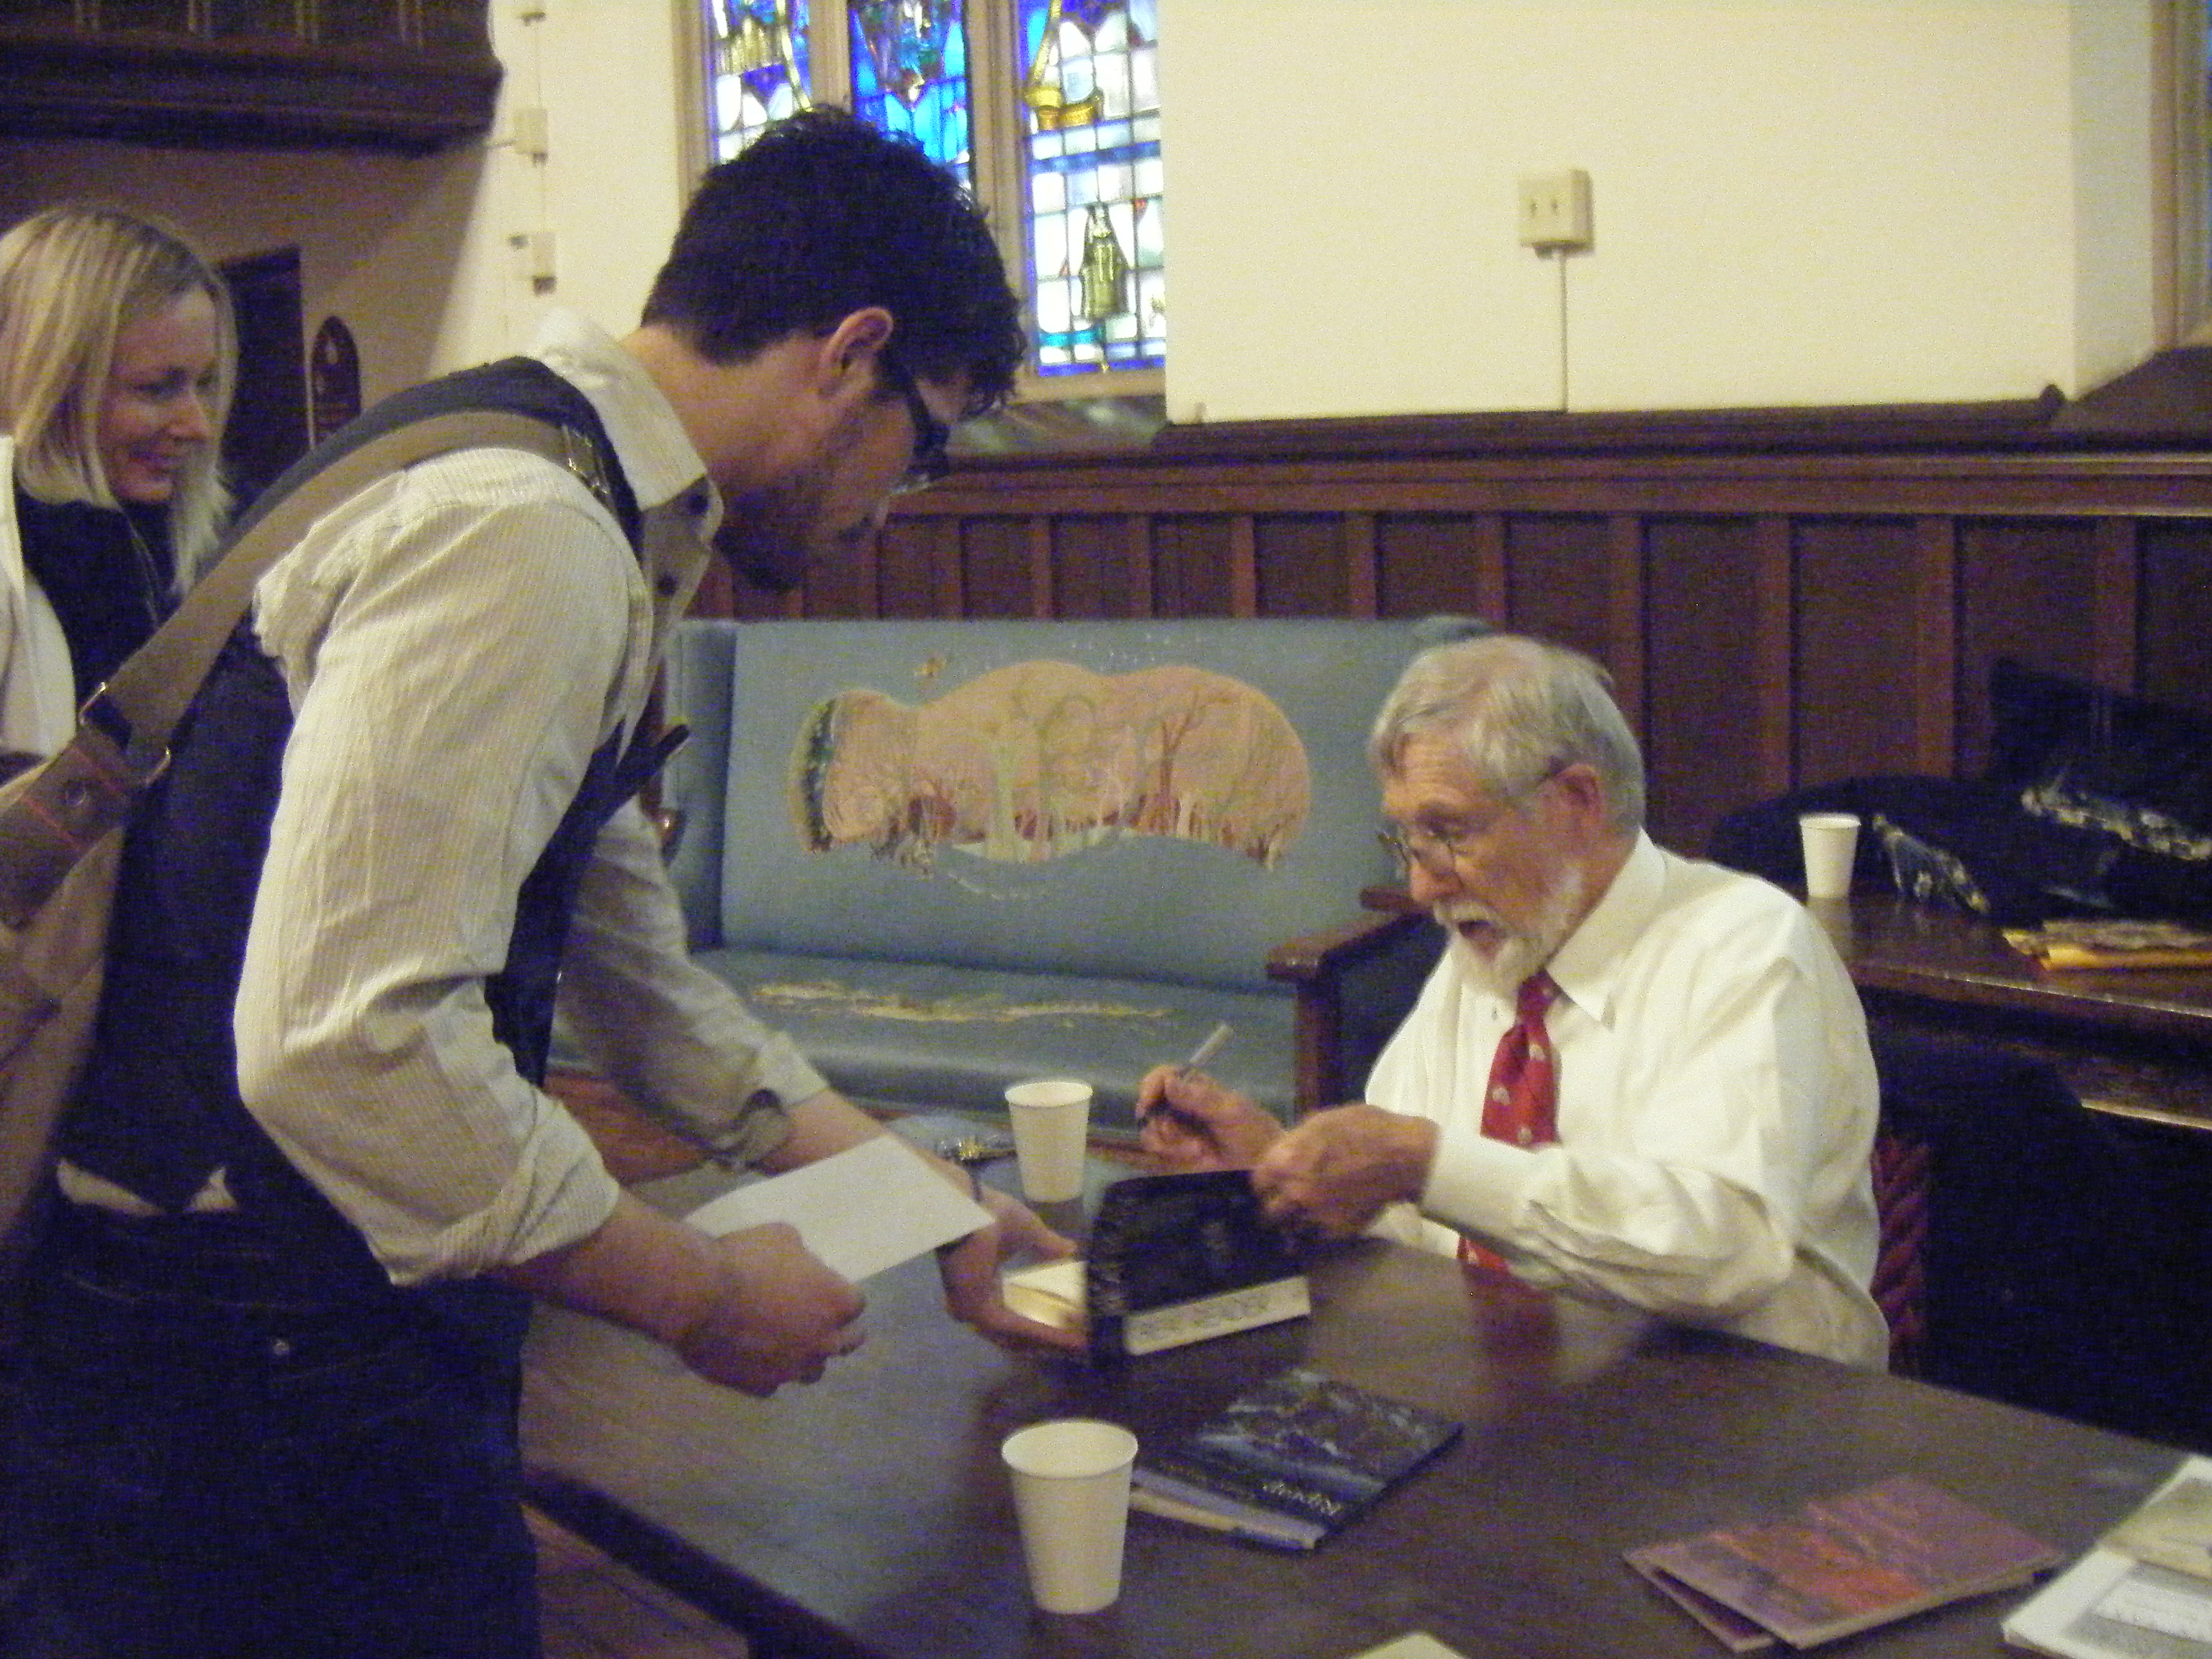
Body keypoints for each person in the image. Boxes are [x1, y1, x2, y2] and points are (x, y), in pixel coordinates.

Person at [2, 110, 1079, 1659]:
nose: (898, 498)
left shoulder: (546, 480)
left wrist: (927, 1200)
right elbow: (346, 1044)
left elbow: (635, 983)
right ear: (851, 356)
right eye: (930, 440)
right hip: (235, 1365)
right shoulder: (524, 533)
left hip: (271, 1325)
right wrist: (699, 1293)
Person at [1138, 632, 1889, 1368]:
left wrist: (1420, 1161)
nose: (1422, 885)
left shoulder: (1744, 945)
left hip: (1747, 1403)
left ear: (1578, 801)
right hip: (1515, 1382)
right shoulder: (1494, 948)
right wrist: (1281, 1173)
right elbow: (1424, 1222)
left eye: (1449, 832)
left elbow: (1725, 1248)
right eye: (1409, 841)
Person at [0, 202, 234, 757]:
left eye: (203, 384)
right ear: (48, 380)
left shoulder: (207, 541)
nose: (198, 426)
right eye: (155, 388)